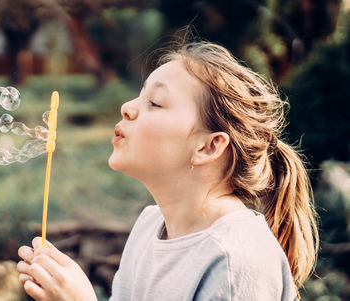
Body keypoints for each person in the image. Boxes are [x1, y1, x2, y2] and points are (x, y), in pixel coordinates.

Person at [16, 35, 319, 300]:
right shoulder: (150, 226)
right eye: (141, 94)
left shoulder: (235, 261)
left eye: (156, 102)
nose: (127, 107)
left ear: (209, 146)